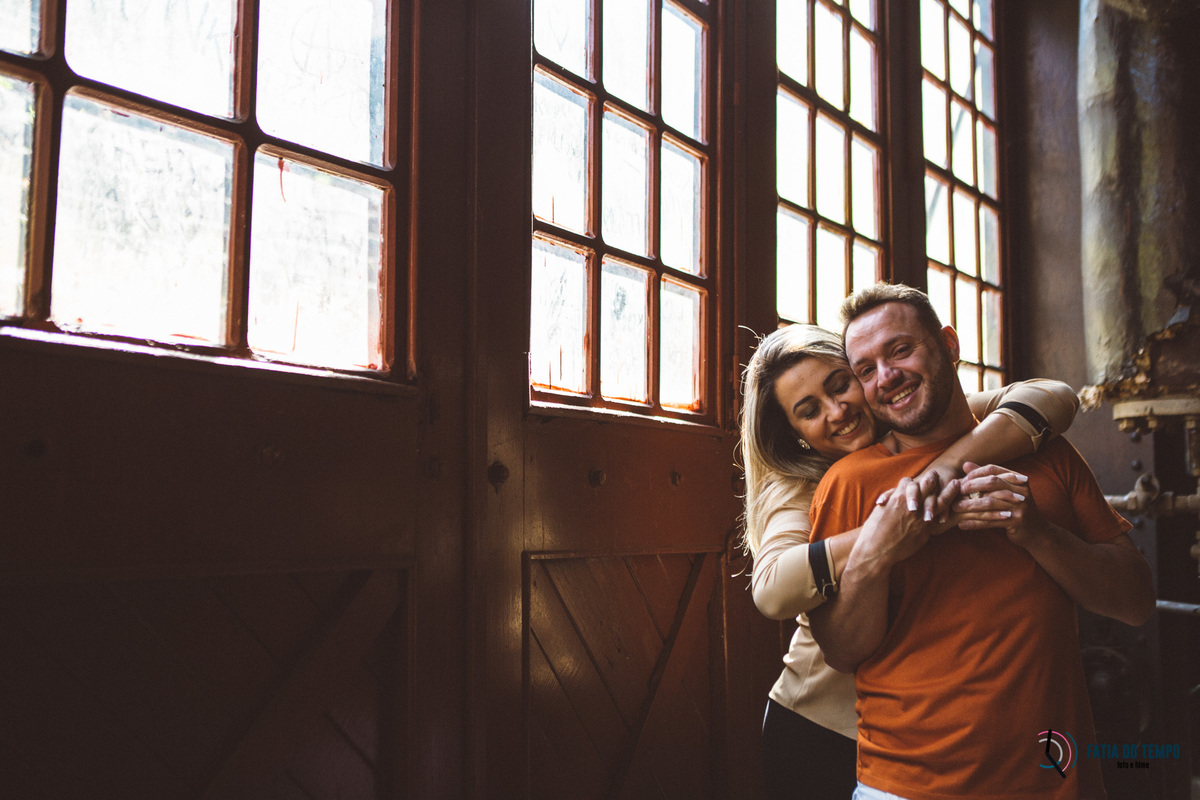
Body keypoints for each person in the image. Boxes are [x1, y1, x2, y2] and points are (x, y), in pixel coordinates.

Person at [806, 283, 1156, 800]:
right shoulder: (849, 482)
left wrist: (1038, 535)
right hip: (903, 787)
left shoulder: (1047, 456)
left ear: (949, 345)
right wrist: (874, 556)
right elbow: (840, 651)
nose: (887, 377)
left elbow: (1136, 602)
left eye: (901, 350)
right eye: (866, 369)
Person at [741, 322, 1081, 800]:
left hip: (922, 735)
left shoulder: (908, 429)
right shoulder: (794, 487)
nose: (837, 411)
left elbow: (1054, 396)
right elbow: (772, 588)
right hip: (818, 726)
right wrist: (894, 524)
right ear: (793, 433)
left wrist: (936, 475)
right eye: (809, 410)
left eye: (840, 385)